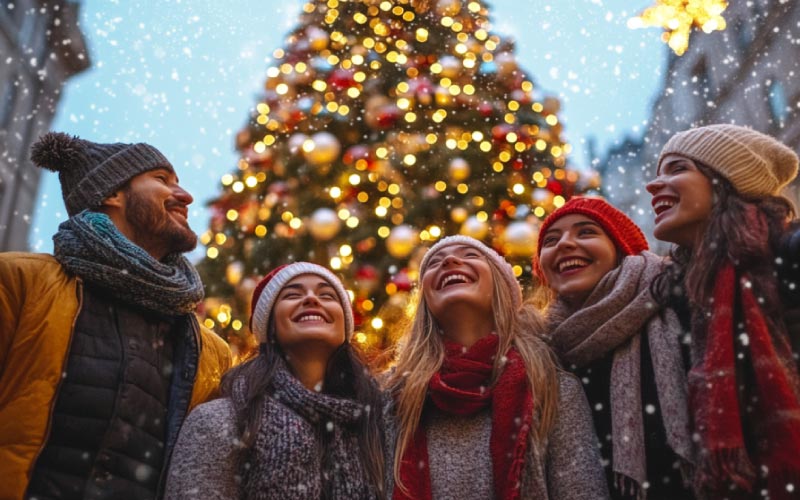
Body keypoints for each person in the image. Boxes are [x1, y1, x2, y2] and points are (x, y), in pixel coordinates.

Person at [0, 132, 232, 499]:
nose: (185, 195)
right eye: (161, 180)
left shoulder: (212, 353)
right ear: (111, 195)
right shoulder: (19, 284)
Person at [386, 235, 608, 500]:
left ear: (502, 286)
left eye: (470, 256)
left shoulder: (551, 386)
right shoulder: (395, 398)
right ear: (426, 302)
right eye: (434, 262)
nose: (449, 261)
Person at [645, 124, 800, 498]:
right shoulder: (676, 293)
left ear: (725, 183)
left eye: (677, 169)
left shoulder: (790, 253)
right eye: (657, 172)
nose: (653, 185)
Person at [165, 262, 387, 500]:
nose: (312, 299)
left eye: (327, 295)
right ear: (268, 325)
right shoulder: (219, 421)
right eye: (292, 294)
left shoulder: (377, 423)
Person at [534, 197, 694, 500]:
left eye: (586, 232)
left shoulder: (678, 295)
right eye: (551, 240)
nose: (565, 244)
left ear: (621, 249)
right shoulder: (544, 350)